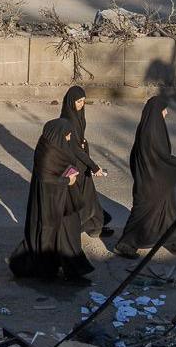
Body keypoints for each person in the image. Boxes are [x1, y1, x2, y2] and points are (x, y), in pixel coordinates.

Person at [114, 96, 176, 258]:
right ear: (157, 112)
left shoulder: (149, 127)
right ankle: (125, 245)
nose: (166, 113)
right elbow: (163, 156)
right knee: (143, 212)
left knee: (167, 209)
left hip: (156, 179)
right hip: (151, 182)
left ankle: (175, 242)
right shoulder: (152, 132)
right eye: (164, 109)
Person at [7, 117, 92, 283]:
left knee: (67, 236)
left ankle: (71, 271)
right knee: (52, 237)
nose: (68, 138)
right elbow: (46, 178)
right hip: (51, 204)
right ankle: (56, 271)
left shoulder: (54, 145)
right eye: (67, 135)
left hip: (63, 202)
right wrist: (68, 181)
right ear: (59, 135)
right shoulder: (48, 153)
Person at [59, 86, 114, 240]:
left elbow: (78, 142)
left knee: (88, 195)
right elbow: (74, 149)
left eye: (83, 101)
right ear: (71, 102)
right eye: (78, 101)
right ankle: (79, 227)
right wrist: (94, 167)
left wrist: (84, 143)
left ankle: (95, 226)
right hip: (75, 165)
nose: (81, 104)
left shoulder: (77, 115)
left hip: (81, 162)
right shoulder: (68, 119)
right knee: (81, 196)